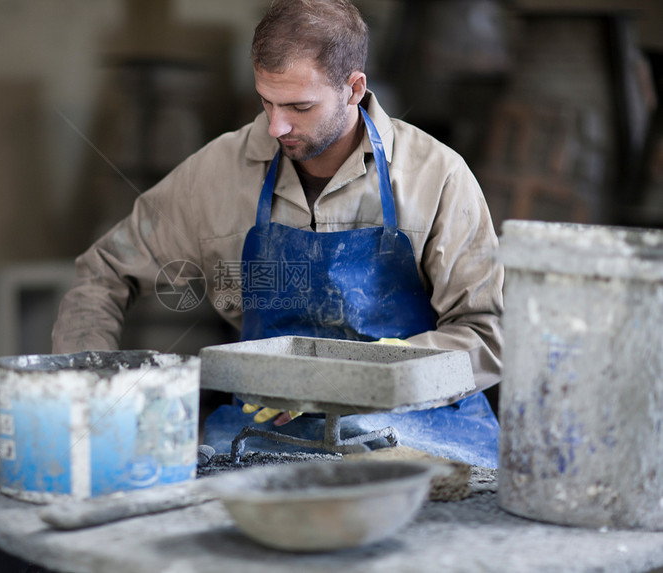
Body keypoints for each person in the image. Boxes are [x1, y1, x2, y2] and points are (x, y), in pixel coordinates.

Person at [52, 0, 504, 467]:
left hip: (418, 428)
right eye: (266, 101)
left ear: (354, 89)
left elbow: (487, 337)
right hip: (263, 436)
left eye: (299, 106)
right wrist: (89, 388)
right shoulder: (218, 173)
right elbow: (101, 274)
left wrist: (371, 375)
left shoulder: (436, 176)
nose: (276, 126)